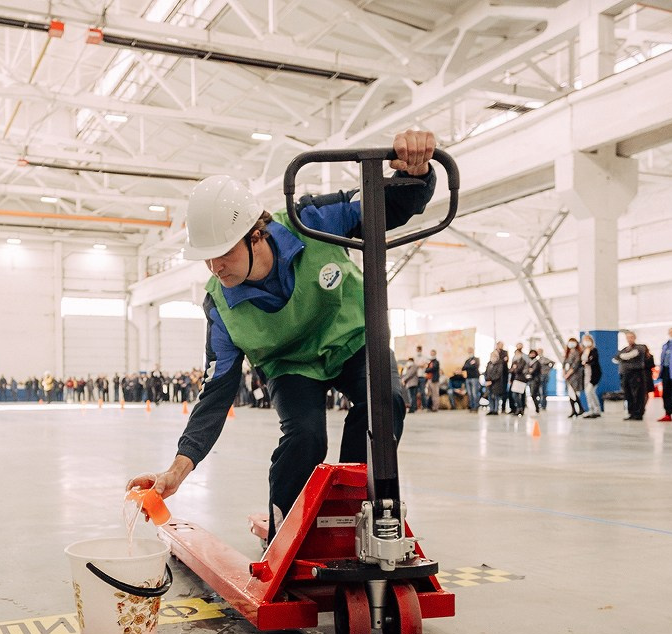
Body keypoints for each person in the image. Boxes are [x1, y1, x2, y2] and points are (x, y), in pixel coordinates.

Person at [127, 129, 439, 541]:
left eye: (225, 251)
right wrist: (177, 470)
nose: (216, 267)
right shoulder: (220, 304)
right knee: (305, 437)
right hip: (291, 367)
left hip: (353, 343)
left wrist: (415, 175)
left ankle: (353, 510)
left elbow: (389, 208)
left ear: (256, 233)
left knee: (384, 404)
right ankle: (283, 533)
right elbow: (216, 394)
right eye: (207, 257)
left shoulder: (308, 221)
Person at [612, 331, 646, 420]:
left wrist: (622, 357)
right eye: (628, 337)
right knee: (628, 394)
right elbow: (615, 359)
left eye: (631, 337)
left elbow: (628, 356)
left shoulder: (640, 347)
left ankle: (638, 413)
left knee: (637, 394)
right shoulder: (624, 349)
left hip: (635, 374)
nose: (629, 339)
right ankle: (631, 412)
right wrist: (622, 357)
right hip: (625, 374)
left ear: (634, 337)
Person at [580, 334, 602, 418]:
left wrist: (586, 363)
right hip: (586, 374)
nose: (586, 342)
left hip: (594, 375)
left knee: (589, 391)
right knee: (589, 393)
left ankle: (595, 410)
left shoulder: (594, 350)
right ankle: (592, 410)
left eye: (588, 340)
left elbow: (594, 361)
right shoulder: (584, 351)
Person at [562, 337, 584, 418]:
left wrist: (568, 374)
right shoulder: (567, 353)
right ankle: (573, 410)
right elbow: (564, 364)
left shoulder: (577, 353)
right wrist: (564, 372)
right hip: (567, 376)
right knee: (570, 394)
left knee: (574, 392)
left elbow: (575, 365)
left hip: (574, 375)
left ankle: (580, 408)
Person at [508, 344, 528, 416]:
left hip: (521, 380)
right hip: (515, 380)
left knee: (520, 394)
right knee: (514, 394)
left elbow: (518, 370)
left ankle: (521, 408)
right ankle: (517, 408)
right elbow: (511, 371)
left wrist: (514, 369)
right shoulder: (515, 362)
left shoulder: (523, 361)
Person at [483, 350, 505, 415]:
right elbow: (486, 373)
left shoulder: (500, 364)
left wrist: (491, 380)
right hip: (489, 383)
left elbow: (498, 374)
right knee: (490, 396)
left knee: (496, 397)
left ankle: (496, 410)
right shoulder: (489, 363)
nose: (493, 357)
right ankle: (491, 409)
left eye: (494, 356)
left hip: (496, 383)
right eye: (492, 356)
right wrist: (487, 380)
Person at [461, 348, 482, 412]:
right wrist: (469, 365)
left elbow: (475, 366)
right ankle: (471, 406)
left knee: (474, 393)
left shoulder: (476, 359)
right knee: (470, 394)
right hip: (468, 378)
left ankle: (476, 407)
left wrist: (468, 366)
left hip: (474, 378)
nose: (469, 352)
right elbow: (463, 368)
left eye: (470, 350)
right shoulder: (467, 360)